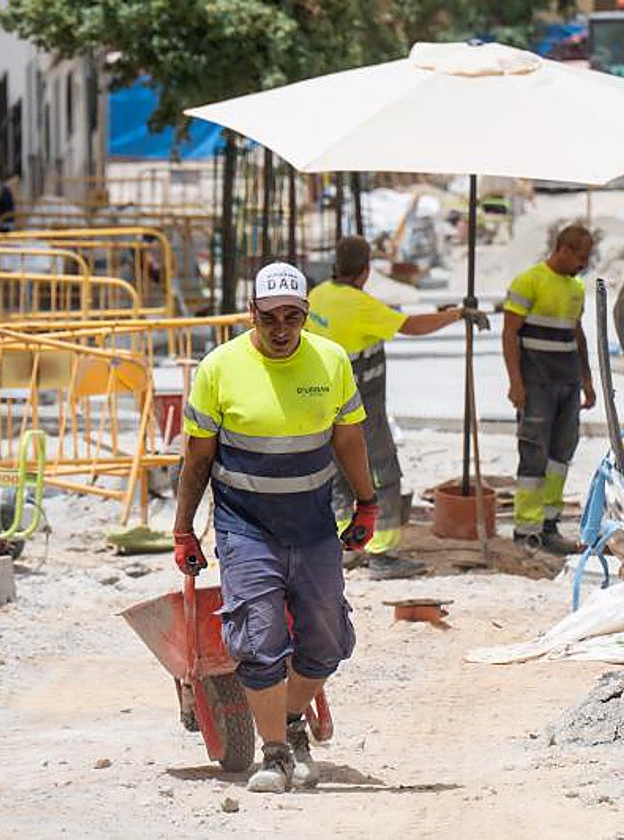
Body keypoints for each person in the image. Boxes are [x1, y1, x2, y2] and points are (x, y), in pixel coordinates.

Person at [173, 262, 377, 793]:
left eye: (294, 317)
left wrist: (367, 503)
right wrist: (183, 531)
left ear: (307, 315)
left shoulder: (331, 362)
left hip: (313, 527)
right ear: (252, 314)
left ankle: (288, 719)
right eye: (270, 318)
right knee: (258, 639)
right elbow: (197, 458)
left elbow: (349, 440)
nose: (282, 329)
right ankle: (276, 753)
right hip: (245, 527)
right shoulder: (220, 368)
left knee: (326, 642)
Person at [307, 235, 488, 578]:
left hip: (320, 405)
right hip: (359, 409)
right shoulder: (360, 307)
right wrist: (458, 314)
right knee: (380, 476)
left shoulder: (318, 297)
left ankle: (349, 547)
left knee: (340, 477)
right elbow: (411, 327)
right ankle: (382, 554)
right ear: (366, 270)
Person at [501, 225, 597, 555]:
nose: (584, 264)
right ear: (564, 250)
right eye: (581, 257)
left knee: (560, 456)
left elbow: (577, 334)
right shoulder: (529, 281)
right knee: (533, 454)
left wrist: (587, 380)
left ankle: (549, 524)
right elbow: (509, 334)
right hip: (536, 383)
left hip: (567, 383)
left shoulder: (576, 287)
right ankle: (526, 529)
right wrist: (515, 382)